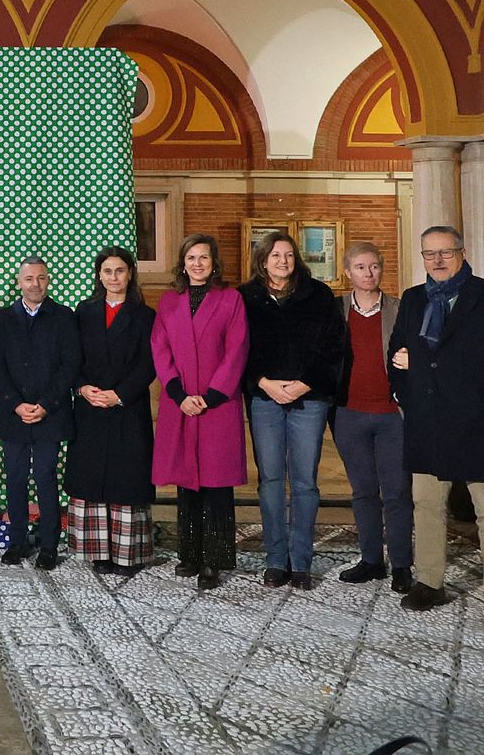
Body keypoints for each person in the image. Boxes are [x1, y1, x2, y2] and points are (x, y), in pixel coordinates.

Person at [389, 225, 484, 630]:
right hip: (427, 422)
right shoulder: (414, 299)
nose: (437, 260)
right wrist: (404, 391)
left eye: (445, 252)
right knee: (427, 506)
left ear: (462, 252)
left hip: (479, 421)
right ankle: (429, 582)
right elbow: (397, 351)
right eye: (429, 253)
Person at [239, 231, 343, 591]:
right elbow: (239, 348)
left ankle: (301, 562)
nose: (282, 261)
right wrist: (263, 382)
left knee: (304, 481)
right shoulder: (245, 297)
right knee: (270, 480)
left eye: (287, 254)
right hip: (264, 397)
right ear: (262, 260)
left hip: (308, 399)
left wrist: (304, 384)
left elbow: (333, 347)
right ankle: (275, 559)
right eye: (275, 255)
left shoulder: (319, 295)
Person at [151, 233, 250, 591]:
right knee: (186, 482)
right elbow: (160, 348)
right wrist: (178, 394)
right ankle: (189, 553)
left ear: (214, 263)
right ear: (182, 263)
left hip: (216, 404)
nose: (197, 264)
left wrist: (211, 395)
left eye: (203, 258)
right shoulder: (169, 302)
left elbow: (237, 348)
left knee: (216, 484)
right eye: (191, 257)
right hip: (180, 403)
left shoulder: (231, 299)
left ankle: (215, 559)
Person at [68, 246, 158, 575]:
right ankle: (98, 552)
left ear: (130, 274)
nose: (114, 277)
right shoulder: (84, 311)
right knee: (92, 477)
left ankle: (127, 554)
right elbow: (71, 356)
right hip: (90, 407)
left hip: (127, 408)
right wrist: (81, 387)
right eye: (107, 271)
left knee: (127, 478)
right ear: (99, 275)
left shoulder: (145, 316)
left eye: (120, 270)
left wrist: (119, 395)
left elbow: (149, 364)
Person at [330, 242, 411, 593]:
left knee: (396, 491)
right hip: (349, 414)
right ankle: (371, 560)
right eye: (360, 267)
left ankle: (402, 564)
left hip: (392, 414)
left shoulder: (400, 309)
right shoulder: (335, 311)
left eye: (374, 266)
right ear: (347, 271)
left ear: (382, 269)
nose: (368, 273)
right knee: (363, 491)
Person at [0, 256, 80, 571]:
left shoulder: (64, 317)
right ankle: (16, 541)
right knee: (15, 478)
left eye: (41, 278)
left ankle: (48, 545)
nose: (35, 284)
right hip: (13, 413)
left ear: (48, 280)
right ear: (19, 282)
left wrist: (45, 404)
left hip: (50, 414)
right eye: (29, 279)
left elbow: (70, 365)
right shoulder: (3, 318)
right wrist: (16, 404)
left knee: (45, 477)